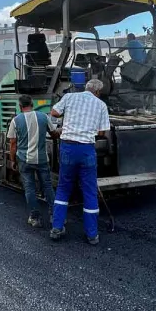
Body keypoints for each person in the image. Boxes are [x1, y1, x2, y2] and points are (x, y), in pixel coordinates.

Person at [49, 78, 110, 245]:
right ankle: (92, 235)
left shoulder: (70, 97)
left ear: (86, 87)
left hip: (68, 147)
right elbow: (103, 132)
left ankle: (57, 227)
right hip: (87, 150)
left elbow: (54, 113)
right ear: (97, 92)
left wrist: (66, 124)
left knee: (63, 188)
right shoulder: (101, 105)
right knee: (89, 191)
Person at [7, 94, 58, 228]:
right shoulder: (43, 116)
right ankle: (55, 216)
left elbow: (12, 143)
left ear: (20, 106)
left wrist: (12, 161)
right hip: (41, 159)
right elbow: (54, 134)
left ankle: (35, 218)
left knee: (29, 188)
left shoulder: (15, 120)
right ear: (32, 104)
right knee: (47, 186)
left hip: (24, 160)